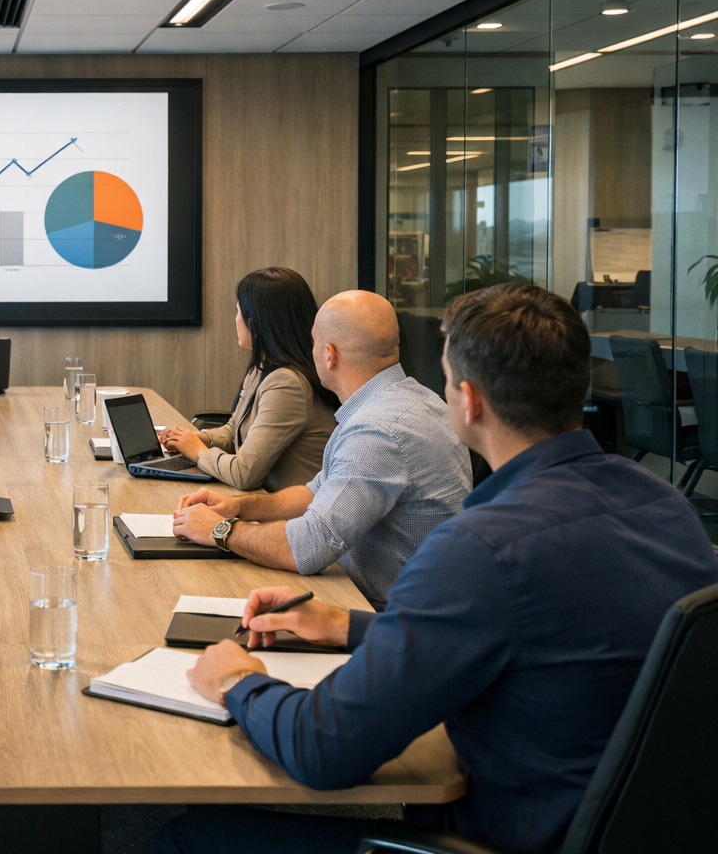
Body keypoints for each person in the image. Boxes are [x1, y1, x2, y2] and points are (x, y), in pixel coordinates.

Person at [156, 283, 718, 854]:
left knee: (192, 836)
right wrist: (349, 626)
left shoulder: (481, 547)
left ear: (468, 402)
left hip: (507, 835)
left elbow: (322, 748)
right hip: (649, 834)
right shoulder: (666, 506)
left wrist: (236, 681)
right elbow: (536, 627)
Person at [172, 289, 471, 608]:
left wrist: (220, 530)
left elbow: (308, 547)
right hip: (384, 599)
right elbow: (318, 491)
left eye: (313, 342)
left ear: (329, 355)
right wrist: (239, 507)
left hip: (383, 617)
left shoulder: (375, 429)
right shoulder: (418, 401)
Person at [160, 267, 336, 491]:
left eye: (237, 312)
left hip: (287, 515)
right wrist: (194, 438)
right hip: (263, 501)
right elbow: (234, 430)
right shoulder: (262, 368)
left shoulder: (287, 384)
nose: (235, 320)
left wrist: (198, 451)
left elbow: (245, 474)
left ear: (256, 323)